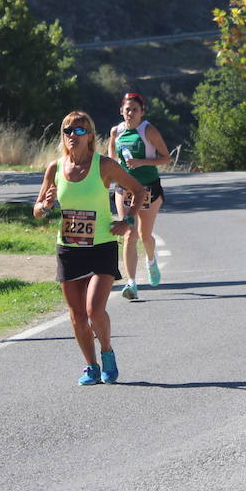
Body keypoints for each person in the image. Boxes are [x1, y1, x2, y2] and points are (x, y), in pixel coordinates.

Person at [33, 111, 146, 385]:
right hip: (69, 249)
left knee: (94, 310)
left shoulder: (104, 166)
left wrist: (128, 220)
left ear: (90, 136)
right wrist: (45, 206)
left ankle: (107, 352)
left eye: (80, 130)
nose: (73, 135)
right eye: (68, 130)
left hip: (101, 246)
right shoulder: (55, 168)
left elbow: (138, 190)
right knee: (77, 316)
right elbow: (37, 210)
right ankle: (91, 367)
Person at [107, 91, 171, 300]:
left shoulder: (148, 131)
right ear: (121, 111)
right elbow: (111, 159)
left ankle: (151, 260)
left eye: (135, 110)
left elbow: (166, 158)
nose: (131, 113)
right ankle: (131, 283)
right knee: (129, 233)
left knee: (145, 235)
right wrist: (113, 171)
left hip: (149, 188)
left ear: (142, 112)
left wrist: (141, 162)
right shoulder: (116, 132)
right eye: (127, 109)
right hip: (124, 189)